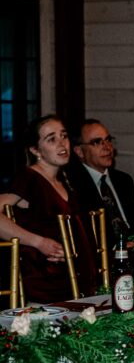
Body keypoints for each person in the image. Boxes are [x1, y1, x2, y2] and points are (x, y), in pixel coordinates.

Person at [6, 115, 97, 302]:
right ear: (35, 150)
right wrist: (39, 242)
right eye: (51, 139)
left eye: (64, 136)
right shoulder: (30, 178)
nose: (62, 144)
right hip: (45, 287)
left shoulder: (65, 179)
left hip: (72, 282)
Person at [65, 119, 134, 242]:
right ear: (79, 151)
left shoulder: (124, 180)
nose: (107, 147)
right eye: (97, 142)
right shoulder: (74, 186)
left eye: (108, 140)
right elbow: (85, 235)